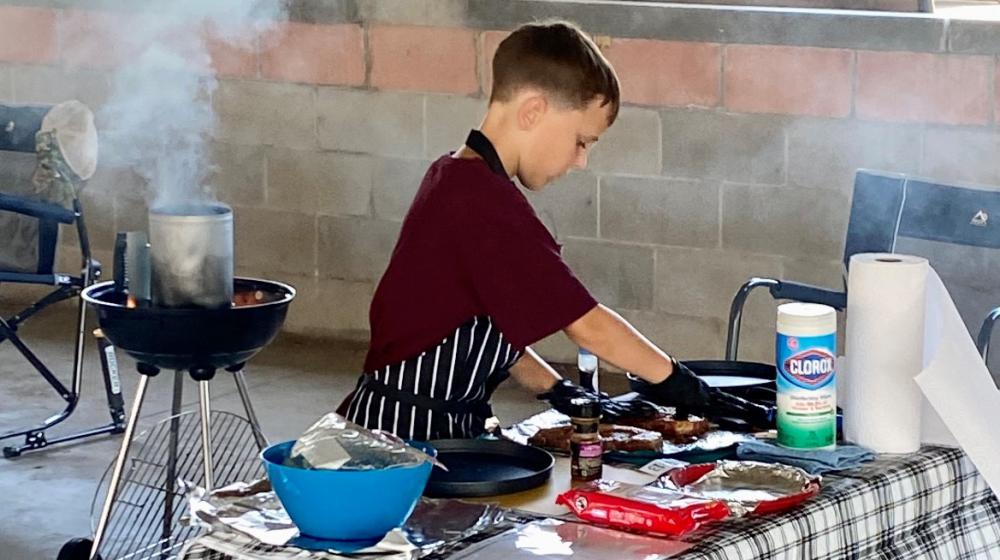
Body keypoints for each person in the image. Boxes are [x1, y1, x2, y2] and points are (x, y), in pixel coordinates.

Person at [337, 19, 714, 440]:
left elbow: (475, 328)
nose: (580, 161)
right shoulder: (479, 198)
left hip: (444, 426)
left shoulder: (455, 175)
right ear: (534, 111)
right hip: (404, 436)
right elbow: (587, 325)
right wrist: (692, 390)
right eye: (582, 142)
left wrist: (558, 389)